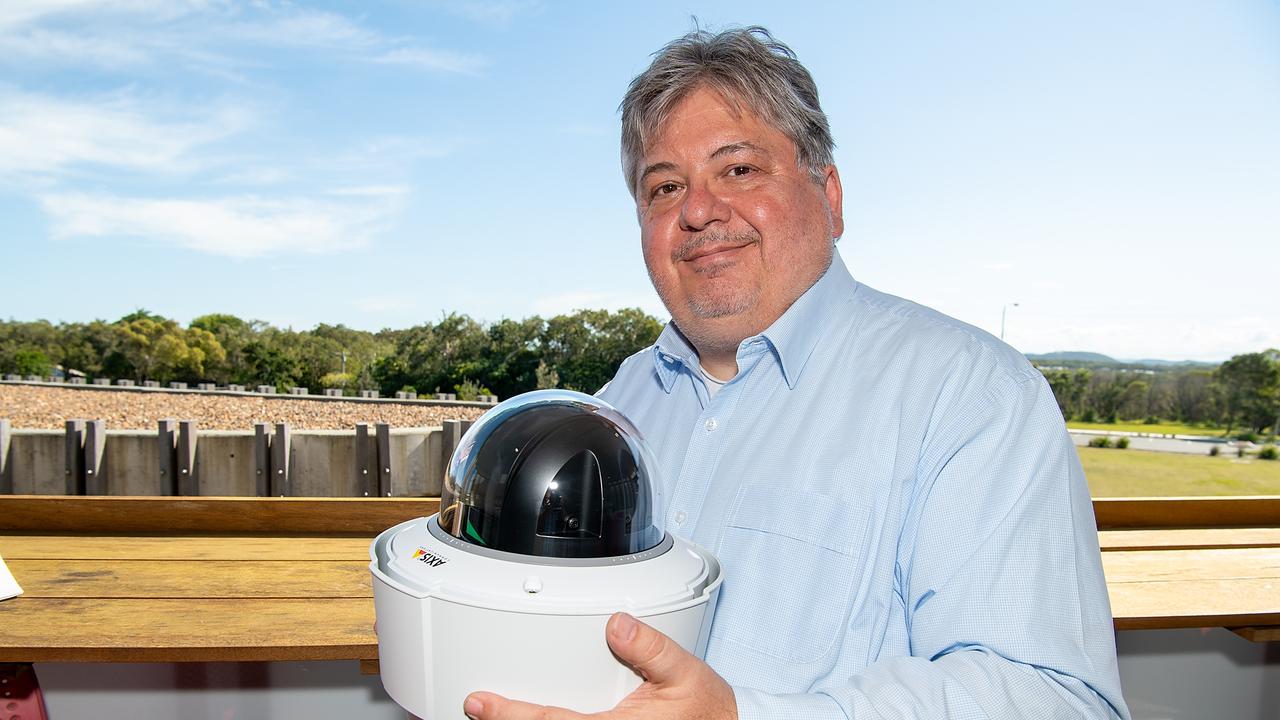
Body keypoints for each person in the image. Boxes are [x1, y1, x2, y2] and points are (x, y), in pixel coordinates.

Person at [464, 26, 1129, 720]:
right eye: (664, 187)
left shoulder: (968, 394)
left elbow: (1056, 698)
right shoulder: (612, 412)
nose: (697, 212)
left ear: (830, 196)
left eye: (739, 170)